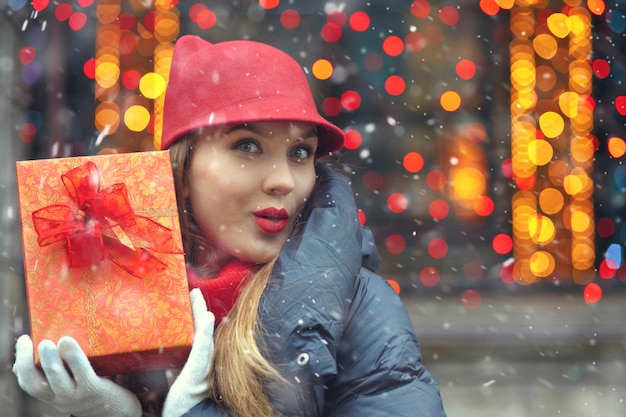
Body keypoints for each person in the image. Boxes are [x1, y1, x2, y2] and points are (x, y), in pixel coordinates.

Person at [13, 35, 447, 417]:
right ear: (182, 171)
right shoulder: (125, 298)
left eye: (300, 152)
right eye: (247, 145)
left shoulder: (357, 304)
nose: (283, 180)